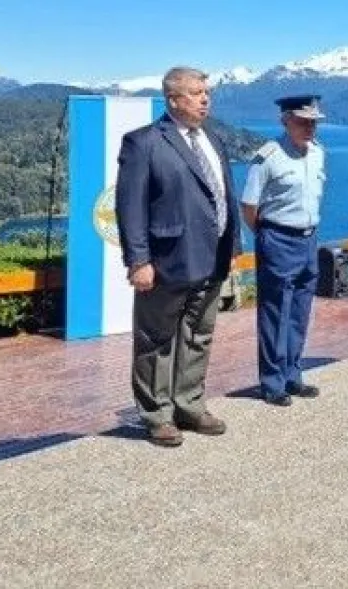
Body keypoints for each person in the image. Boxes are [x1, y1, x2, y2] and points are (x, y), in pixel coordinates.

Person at [115, 67, 239, 446]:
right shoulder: (145, 142)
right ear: (173, 99)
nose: (206, 99)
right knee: (157, 339)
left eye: (208, 93)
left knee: (199, 335)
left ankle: (189, 405)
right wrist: (139, 260)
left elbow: (223, 196)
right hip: (167, 260)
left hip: (212, 258)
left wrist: (233, 247)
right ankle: (157, 414)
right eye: (197, 93)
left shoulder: (212, 140)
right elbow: (130, 206)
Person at [240, 95, 326, 407]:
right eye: (303, 121)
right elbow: (249, 206)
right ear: (285, 120)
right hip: (278, 238)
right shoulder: (269, 156)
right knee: (275, 313)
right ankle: (272, 381)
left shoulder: (318, 153)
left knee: (300, 312)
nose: (309, 127)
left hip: (308, 240)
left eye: (313, 122)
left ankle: (293, 373)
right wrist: (267, 236)